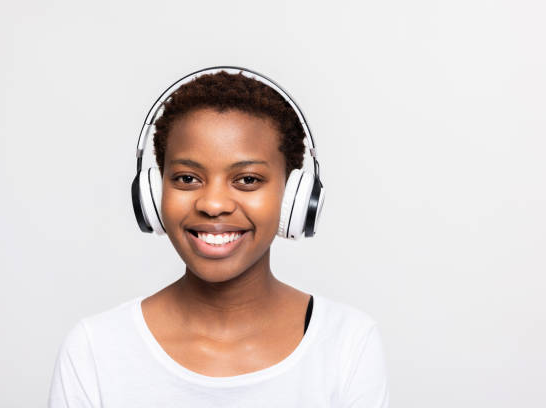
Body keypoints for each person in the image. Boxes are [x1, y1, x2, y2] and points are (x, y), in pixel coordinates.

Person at [48, 69, 389, 407]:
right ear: (153, 193)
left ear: (293, 198)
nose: (212, 204)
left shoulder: (347, 343)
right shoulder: (95, 350)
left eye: (248, 180)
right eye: (186, 178)